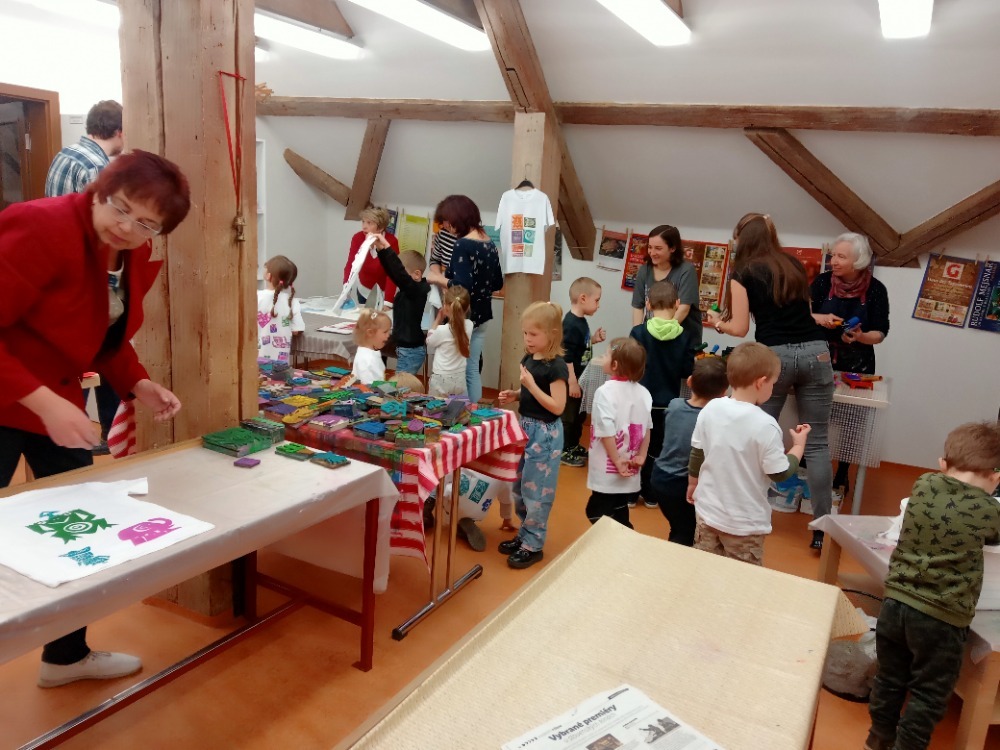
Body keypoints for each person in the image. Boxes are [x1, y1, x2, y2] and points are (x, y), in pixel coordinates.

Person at [0, 149, 190, 687]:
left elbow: (105, 336)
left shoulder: (131, 252)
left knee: (77, 524)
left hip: (53, 404)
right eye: (121, 207)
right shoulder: (41, 226)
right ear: (101, 189)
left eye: (147, 223)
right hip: (16, 396)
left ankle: (64, 657)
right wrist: (44, 403)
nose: (128, 227)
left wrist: (139, 383)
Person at [865, 422, 1000, 750]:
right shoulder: (990, 510)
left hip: (895, 602)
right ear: (995, 477)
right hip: (941, 617)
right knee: (928, 694)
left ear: (942, 464)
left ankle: (878, 739)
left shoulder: (924, 484)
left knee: (889, 677)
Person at [705, 212, 834, 550]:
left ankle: (744, 511)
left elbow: (739, 329)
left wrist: (717, 322)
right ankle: (822, 530)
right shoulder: (792, 264)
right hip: (817, 351)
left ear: (742, 238)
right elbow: (805, 314)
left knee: (757, 432)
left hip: (774, 356)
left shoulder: (743, 272)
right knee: (817, 444)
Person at [46, 99, 126, 455]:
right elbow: (101, 235)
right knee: (101, 353)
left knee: (71, 362)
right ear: (119, 131)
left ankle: (74, 428)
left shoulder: (63, 156)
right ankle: (107, 432)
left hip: (56, 275)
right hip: (82, 279)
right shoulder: (98, 168)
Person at [687, 343, 811, 565]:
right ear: (761, 382)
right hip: (744, 525)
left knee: (704, 571)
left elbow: (698, 453)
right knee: (741, 580)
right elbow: (779, 473)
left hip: (707, 514)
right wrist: (798, 447)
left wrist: (693, 483)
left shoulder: (711, 408)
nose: (772, 388)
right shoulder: (766, 425)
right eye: (773, 383)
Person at [811, 232, 890, 499]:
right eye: (833, 255)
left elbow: (881, 332)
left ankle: (842, 472)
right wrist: (821, 319)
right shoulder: (822, 282)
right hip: (820, 357)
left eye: (841, 256)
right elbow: (804, 314)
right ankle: (807, 465)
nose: (833, 261)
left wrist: (860, 337)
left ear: (858, 261)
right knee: (814, 414)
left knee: (851, 422)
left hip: (858, 362)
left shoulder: (876, 289)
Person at [497, 301, 567, 569]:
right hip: (525, 427)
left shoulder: (556, 366)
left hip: (545, 434)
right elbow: (531, 393)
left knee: (537, 491)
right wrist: (516, 394)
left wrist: (531, 386)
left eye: (534, 334)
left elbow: (557, 406)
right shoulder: (528, 359)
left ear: (552, 334)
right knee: (520, 486)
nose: (527, 339)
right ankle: (525, 534)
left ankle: (533, 544)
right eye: (525, 333)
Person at [426, 195, 504, 403]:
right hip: (483, 315)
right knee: (472, 369)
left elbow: (463, 286)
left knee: (457, 369)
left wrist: (437, 278)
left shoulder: (463, 244)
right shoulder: (488, 241)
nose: (445, 227)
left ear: (456, 219)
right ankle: (473, 412)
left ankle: (455, 410)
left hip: (465, 314)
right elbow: (497, 283)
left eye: (446, 222)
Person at [650, 357, 729, 546]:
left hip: (660, 478)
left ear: (690, 381)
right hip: (683, 485)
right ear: (724, 392)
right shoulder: (714, 419)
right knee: (686, 532)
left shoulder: (674, 405)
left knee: (678, 526)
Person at [630, 280, 694, 508]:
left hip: (640, 401)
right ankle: (650, 494)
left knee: (634, 444)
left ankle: (630, 494)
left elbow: (631, 365)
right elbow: (687, 370)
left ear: (648, 304)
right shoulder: (684, 335)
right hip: (667, 404)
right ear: (677, 303)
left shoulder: (638, 332)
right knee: (656, 448)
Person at [585, 338, 652, 528]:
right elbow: (647, 428)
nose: (603, 357)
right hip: (631, 463)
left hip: (609, 466)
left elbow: (606, 431)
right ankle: (623, 534)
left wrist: (616, 460)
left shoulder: (604, 392)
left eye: (606, 354)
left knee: (596, 511)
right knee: (619, 506)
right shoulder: (644, 393)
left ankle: (617, 538)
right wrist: (642, 455)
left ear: (614, 365)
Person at [630, 224, 702, 350]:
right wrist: (638, 336)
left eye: (658, 248)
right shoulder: (644, 270)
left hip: (680, 340)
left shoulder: (686, 270)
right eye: (650, 247)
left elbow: (684, 308)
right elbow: (638, 306)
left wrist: (665, 333)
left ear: (672, 248)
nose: (652, 253)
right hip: (652, 337)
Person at [560, 277, 605, 468]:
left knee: (579, 415)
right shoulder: (570, 324)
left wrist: (593, 339)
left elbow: (580, 347)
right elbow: (566, 355)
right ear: (583, 298)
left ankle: (572, 445)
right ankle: (563, 450)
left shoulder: (581, 322)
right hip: (572, 379)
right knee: (569, 416)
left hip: (580, 378)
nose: (598, 305)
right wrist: (572, 382)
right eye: (597, 300)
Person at [375, 247, 430, 376]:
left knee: (402, 386)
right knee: (401, 385)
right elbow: (392, 271)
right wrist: (381, 250)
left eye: (402, 272)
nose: (398, 277)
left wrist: (385, 249)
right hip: (405, 348)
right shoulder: (406, 291)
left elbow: (398, 274)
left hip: (410, 351)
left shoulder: (416, 290)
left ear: (417, 274)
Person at [342, 206, 400, 305]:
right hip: (363, 290)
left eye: (369, 223)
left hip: (385, 293)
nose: (364, 226)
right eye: (363, 222)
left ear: (380, 228)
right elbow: (351, 265)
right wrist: (346, 290)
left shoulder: (391, 242)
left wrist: (388, 302)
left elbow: (392, 274)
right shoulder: (358, 238)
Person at [426, 286, 473, 397]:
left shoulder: (442, 330)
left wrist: (437, 320)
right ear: (467, 307)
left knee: (436, 406)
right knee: (459, 406)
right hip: (460, 377)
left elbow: (429, 340)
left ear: (445, 308)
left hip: (441, 378)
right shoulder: (470, 325)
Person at [257, 255, 304, 364]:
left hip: (256, 360)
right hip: (281, 362)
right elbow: (296, 330)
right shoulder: (292, 302)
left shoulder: (256, 297)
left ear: (268, 276)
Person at [351, 310, 391, 384]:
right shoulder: (368, 360)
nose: (388, 335)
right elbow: (369, 387)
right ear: (370, 333)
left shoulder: (370, 351)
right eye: (385, 332)